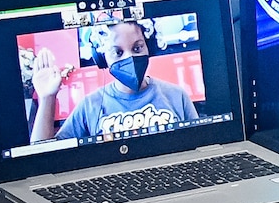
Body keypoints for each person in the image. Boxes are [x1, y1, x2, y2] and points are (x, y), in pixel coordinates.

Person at [30, 18, 198, 143]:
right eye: (117, 52)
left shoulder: (176, 95)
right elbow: (40, 159)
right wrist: (47, 98)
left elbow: (202, 144)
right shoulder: (89, 105)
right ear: (102, 59)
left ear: (149, 48)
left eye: (137, 48)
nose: (130, 57)